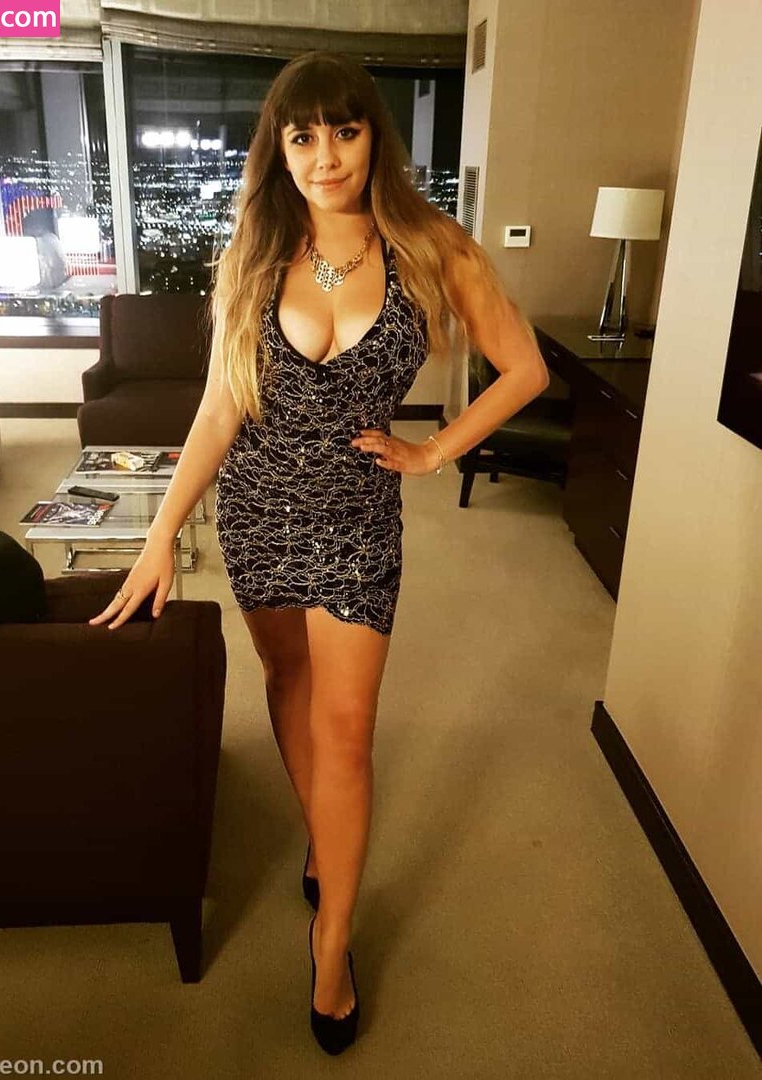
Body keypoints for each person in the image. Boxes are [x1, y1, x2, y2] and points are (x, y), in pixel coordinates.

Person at [89, 50, 549, 1054]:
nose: (325, 155)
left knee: (347, 730)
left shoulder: (431, 246)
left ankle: (331, 940)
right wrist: (161, 534)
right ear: (280, 148)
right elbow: (219, 409)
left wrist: (432, 452)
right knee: (287, 683)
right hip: (256, 508)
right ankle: (322, 838)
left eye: (344, 130)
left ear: (374, 136)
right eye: (302, 136)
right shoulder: (255, 250)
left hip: (357, 518)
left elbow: (524, 370)